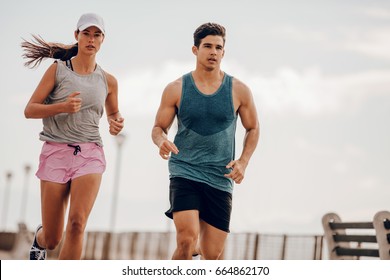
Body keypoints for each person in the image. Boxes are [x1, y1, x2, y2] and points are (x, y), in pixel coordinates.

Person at [152, 22, 260, 260]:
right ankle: (190, 247)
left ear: (224, 52)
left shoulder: (239, 90)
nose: (213, 52)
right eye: (208, 46)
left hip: (220, 177)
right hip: (185, 170)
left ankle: (201, 249)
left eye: (218, 47)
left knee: (212, 254)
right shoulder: (176, 88)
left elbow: (252, 128)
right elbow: (159, 127)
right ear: (195, 50)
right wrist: (161, 140)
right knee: (186, 239)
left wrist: (243, 161)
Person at [22, 13, 124, 260]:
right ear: (76, 36)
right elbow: (30, 110)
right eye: (86, 33)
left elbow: (113, 114)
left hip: (89, 154)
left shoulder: (108, 80)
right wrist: (61, 107)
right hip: (55, 151)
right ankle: (40, 239)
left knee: (77, 225)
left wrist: (116, 123)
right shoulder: (58, 71)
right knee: (54, 237)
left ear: (103, 39)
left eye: (96, 34)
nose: (91, 39)